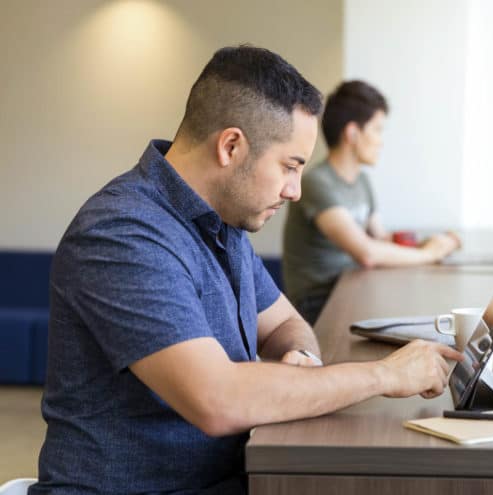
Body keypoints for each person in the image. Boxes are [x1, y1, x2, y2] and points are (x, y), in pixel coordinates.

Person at [30, 47, 462, 495]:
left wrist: (303, 362)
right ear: (231, 146)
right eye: (290, 166)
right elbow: (216, 399)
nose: (295, 190)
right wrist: (386, 375)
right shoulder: (122, 234)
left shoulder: (224, 224)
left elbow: (286, 325)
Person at [283, 80, 461, 325]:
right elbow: (367, 252)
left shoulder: (362, 182)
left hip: (352, 287)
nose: (381, 140)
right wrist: (428, 255)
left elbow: (380, 239)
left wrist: (428, 243)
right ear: (353, 133)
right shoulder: (317, 183)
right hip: (320, 303)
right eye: (377, 129)